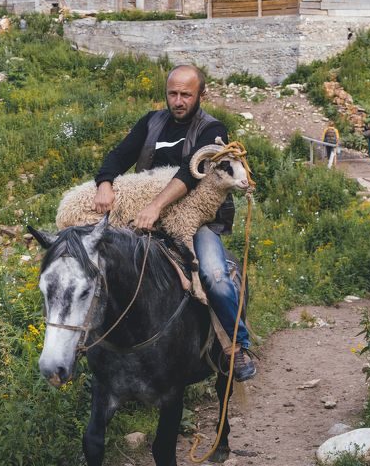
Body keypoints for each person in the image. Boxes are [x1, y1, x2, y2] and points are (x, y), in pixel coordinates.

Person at [92, 65, 256, 382]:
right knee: (96, 268)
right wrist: (105, 183)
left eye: (186, 95)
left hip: (193, 220)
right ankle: (92, 348)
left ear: (201, 94)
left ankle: (235, 347)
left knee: (214, 276)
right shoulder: (151, 122)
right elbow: (118, 155)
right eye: (172, 94)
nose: (178, 101)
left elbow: (188, 175)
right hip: (143, 216)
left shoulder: (212, 130)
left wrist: (155, 207)